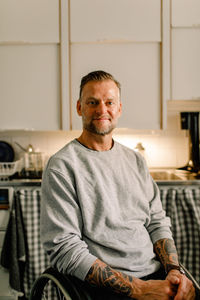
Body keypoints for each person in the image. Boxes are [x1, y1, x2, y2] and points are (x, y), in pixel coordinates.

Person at [41, 70, 196, 299]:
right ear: (79, 107)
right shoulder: (62, 166)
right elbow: (65, 249)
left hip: (156, 275)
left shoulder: (135, 160)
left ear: (119, 108)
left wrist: (174, 270)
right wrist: (139, 290)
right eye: (92, 102)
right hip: (105, 286)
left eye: (109, 102)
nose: (102, 109)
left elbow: (156, 222)